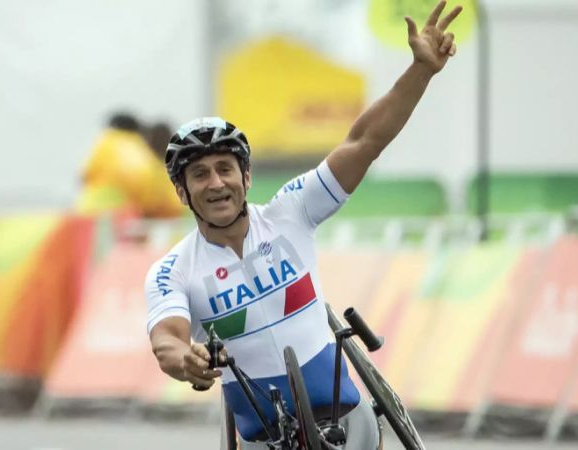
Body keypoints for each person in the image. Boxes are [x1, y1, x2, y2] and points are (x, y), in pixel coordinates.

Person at [145, 2, 462, 448]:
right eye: (199, 174)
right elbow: (167, 341)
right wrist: (188, 360)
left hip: (346, 421)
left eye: (225, 168)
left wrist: (421, 72)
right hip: (263, 437)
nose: (215, 183)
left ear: (246, 177)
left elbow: (364, 141)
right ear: (182, 192)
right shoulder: (173, 269)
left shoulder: (288, 211)